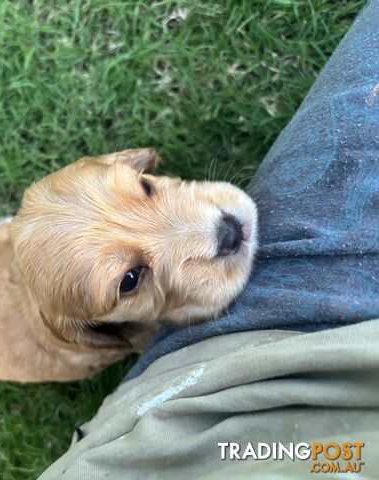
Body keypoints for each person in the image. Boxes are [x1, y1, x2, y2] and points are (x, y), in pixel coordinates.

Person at [41, 1, 379, 478]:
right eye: (132, 277)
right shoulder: (79, 331)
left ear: (138, 164)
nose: (210, 229)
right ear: (98, 332)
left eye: (145, 188)